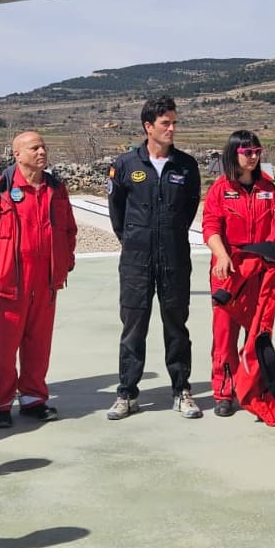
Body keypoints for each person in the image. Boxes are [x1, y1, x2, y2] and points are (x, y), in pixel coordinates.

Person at [106, 95, 203, 421]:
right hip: (136, 260)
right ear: (149, 127)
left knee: (176, 326)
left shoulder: (186, 166)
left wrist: (168, 237)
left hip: (174, 259)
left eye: (174, 122)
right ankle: (127, 393)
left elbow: (189, 209)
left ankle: (181, 390)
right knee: (133, 327)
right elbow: (117, 213)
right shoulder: (125, 165)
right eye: (166, 123)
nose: (172, 128)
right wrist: (137, 240)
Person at [0, 131, 77, 428]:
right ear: (17, 154)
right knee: (4, 348)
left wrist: (65, 261)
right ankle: (2, 404)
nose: (42, 152)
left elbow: (69, 229)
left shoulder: (56, 189)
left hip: (44, 282)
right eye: (35, 148)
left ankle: (33, 399)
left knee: (38, 344)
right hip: (8, 280)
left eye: (44, 146)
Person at [202, 130, 275, 416]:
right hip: (229, 269)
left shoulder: (268, 187)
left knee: (258, 332)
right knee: (225, 334)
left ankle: (253, 386)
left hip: (261, 270)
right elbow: (211, 226)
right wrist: (222, 255)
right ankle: (224, 392)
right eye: (247, 152)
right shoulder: (220, 188)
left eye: (257, 151)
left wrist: (266, 250)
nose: (253, 157)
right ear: (234, 154)